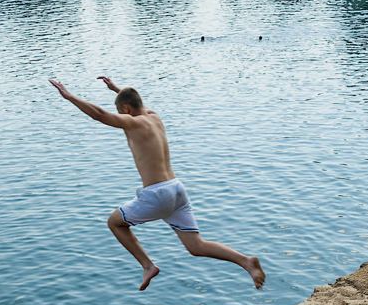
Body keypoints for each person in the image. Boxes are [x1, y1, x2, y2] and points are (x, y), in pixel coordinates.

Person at [48, 76, 265, 291]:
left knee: (115, 223)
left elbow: (100, 114)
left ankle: (148, 265)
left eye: (122, 111)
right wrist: (116, 89)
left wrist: (68, 96)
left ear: (125, 109)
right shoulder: (154, 117)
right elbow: (135, 101)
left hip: (157, 194)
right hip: (177, 189)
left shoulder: (134, 122)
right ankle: (245, 261)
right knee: (196, 246)